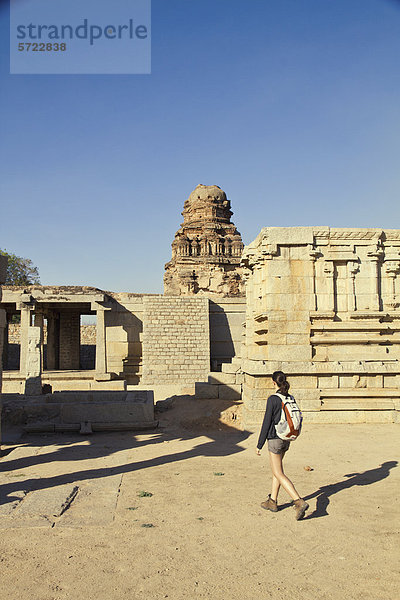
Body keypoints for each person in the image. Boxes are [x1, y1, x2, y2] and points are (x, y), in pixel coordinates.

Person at [256, 370, 309, 520]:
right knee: (276, 470)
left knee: (278, 472)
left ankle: (298, 501)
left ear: (273, 383)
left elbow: (266, 423)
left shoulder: (273, 399)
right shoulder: (289, 397)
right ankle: (272, 501)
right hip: (286, 438)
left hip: (275, 439)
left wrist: (259, 444)